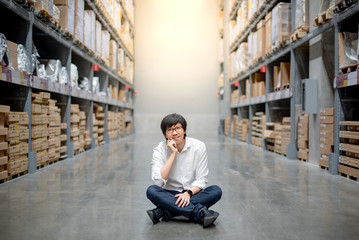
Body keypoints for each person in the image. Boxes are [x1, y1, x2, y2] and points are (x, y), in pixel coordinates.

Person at [146, 113, 222, 228]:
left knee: (216, 191)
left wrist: (188, 193)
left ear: (184, 130)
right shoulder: (159, 150)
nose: (175, 133)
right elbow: (158, 182)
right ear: (165, 134)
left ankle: (166, 211)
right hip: (169, 194)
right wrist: (173, 154)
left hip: (192, 193)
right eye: (170, 130)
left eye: (178, 128)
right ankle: (199, 212)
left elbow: (201, 179)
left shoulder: (199, 146)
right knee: (151, 191)